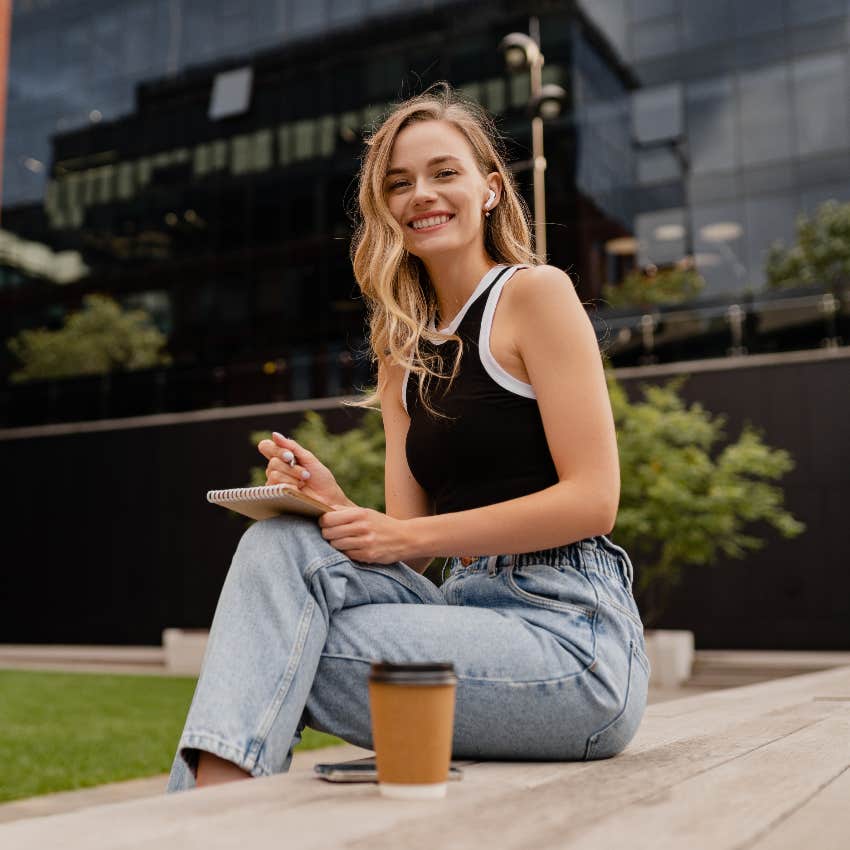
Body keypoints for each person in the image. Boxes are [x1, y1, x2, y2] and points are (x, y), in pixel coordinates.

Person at [166, 81, 649, 791]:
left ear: (488, 190)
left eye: (443, 173)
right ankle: (210, 815)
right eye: (399, 183)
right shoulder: (401, 352)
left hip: (569, 638)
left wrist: (406, 540)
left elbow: (593, 502)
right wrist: (331, 503)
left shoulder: (534, 295)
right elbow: (407, 542)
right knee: (276, 543)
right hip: (457, 613)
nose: (421, 194)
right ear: (384, 209)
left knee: (269, 649)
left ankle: (196, 820)